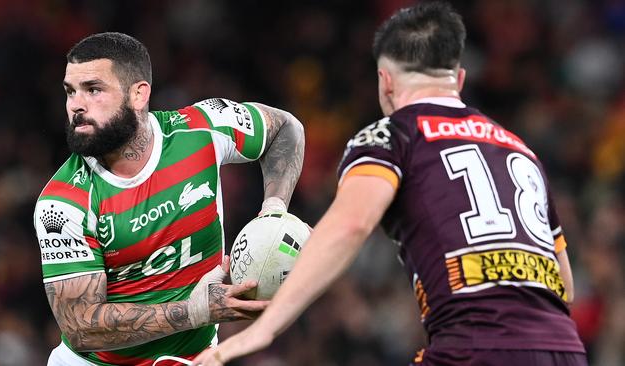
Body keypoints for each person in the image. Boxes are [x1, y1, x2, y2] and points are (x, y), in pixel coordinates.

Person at [193, 2, 587, 365]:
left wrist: (262, 330)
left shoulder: (390, 137)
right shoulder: (520, 151)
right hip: (565, 349)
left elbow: (350, 225)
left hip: (472, 347)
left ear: (385, 81)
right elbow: (564, 286)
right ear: (459, 79)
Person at [33, 32, 305, 365]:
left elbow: (286, 129)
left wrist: (273, 211)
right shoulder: (62, 203)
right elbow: (80, 327)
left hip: (198, 358)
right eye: (70, 91)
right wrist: (194, 312)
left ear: (138, 94)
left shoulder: (203, 127)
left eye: (93, 89)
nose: (76, 104)